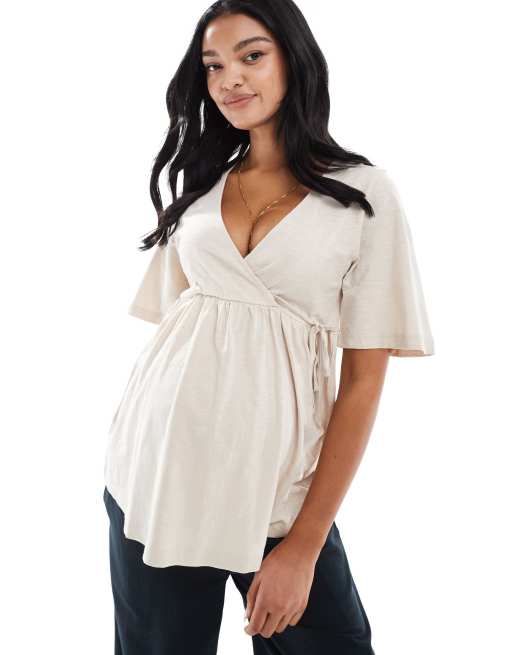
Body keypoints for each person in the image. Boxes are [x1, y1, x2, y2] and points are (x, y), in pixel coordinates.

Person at [102, 1, 435, 653]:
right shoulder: (201, 191)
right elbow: (185, 329)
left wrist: (305, 544)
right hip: (157, 472)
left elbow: (362, 383)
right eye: (213, 65)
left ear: (295, 60)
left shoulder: (362, 194)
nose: (229, 78)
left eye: (251, 56)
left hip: (278, 492)